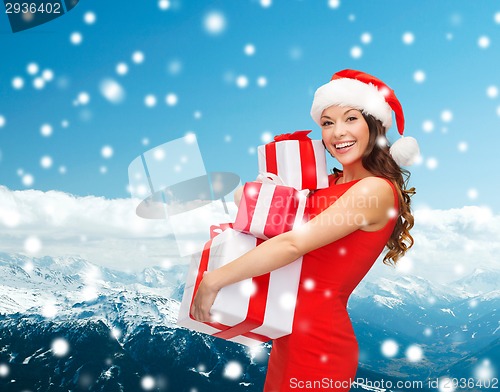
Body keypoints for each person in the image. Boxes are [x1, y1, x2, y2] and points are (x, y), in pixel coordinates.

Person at [191, 69, 418, 391]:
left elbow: (292, 244)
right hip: (288, 333)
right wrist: (275, 173)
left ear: (373, 125)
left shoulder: (374, 191)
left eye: (350, 119)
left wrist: (214, 279)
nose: (338, 132)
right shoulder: (329, 185)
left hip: (319, 343)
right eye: (327, 123)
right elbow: (257, 212)